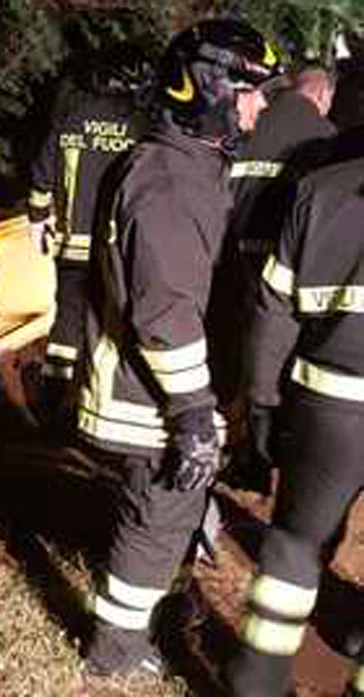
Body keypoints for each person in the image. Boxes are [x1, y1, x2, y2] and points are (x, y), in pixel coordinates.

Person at [76, 19, 282, 680]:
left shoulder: (183, 165)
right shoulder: (169, 179)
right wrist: (193, 412)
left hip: (153, 390)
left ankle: (137, 628)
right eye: (252, 91)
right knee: (156, 520)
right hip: (151, 399)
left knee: (167, 513)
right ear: (212, 87)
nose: (260, 107)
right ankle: (112, 654)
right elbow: (166, 312)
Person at [224, 154, 364, 696]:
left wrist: (262, 399)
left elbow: (272, 307)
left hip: (327, 406)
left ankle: (254, 680)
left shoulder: (320, 189)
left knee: (293, 545)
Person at [27, 48, 151, 436]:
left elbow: (41, 176)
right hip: (115, 251)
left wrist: (37, 219)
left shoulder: (71, 117)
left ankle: (52, 401)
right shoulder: (139, 124)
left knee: (66, 323)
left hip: (72, 246)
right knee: (108, 326)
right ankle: (96, 406)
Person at [210, 66, 337, 420]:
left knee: (226, 341)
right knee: (269, 349)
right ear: (323, 94)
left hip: (228, 254)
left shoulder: (249, 125)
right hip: (282, 264)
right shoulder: (324, 137)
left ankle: (224, 418)